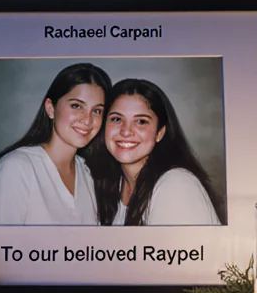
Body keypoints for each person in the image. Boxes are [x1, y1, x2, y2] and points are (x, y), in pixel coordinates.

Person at [0, 63, 113, 225]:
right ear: (50, 108)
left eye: (97, 111)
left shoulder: (88, 173)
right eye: (76, 106)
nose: (87, 119)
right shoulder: (16, 168)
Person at [89, 79, 224, 226]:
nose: (126, 131)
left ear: (159, 133)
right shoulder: (110, 184)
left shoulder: (176, 186)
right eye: (116, 119)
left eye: (141, 121)